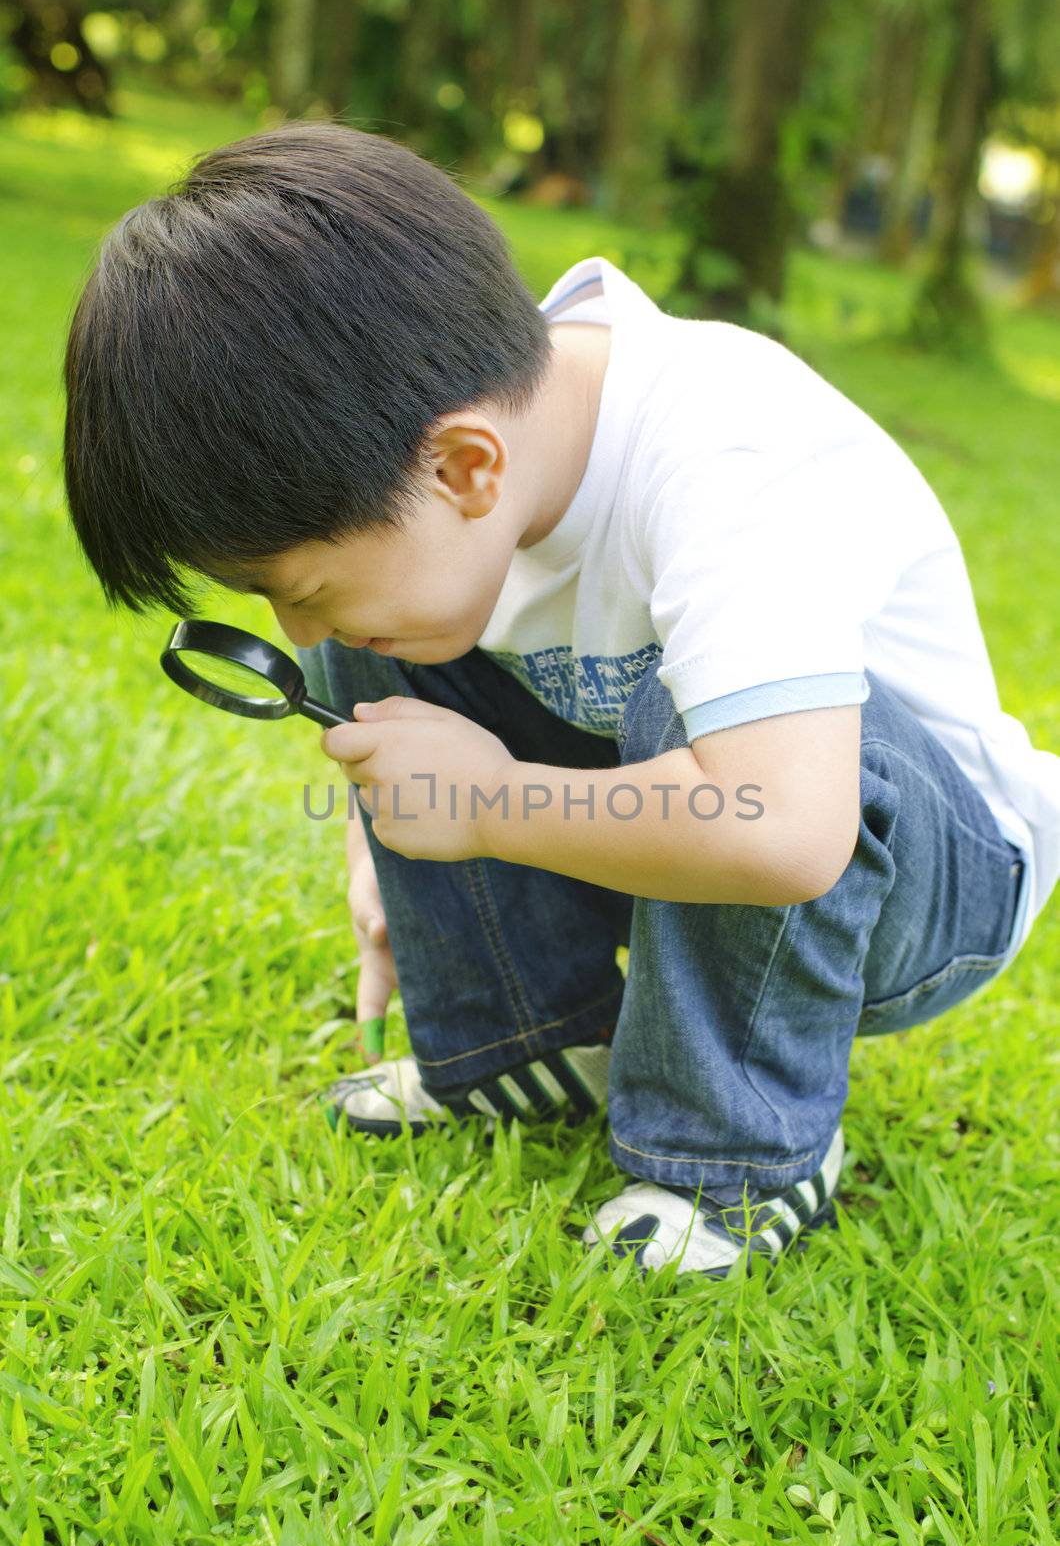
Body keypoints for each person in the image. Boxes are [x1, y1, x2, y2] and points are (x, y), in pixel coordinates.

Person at [62, 121, 1060, 1279]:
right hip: (711, 802)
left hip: (915, 875)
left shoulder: (725, 456)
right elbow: (397, 657)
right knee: (388, 626)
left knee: (692, 716)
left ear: (466, 467)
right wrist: (382, 839)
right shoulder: (472, 451)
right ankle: (520, 1043)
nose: (292, 627)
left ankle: (736, 1158)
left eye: (299, 587)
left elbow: (786, 825)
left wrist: (489, 806)